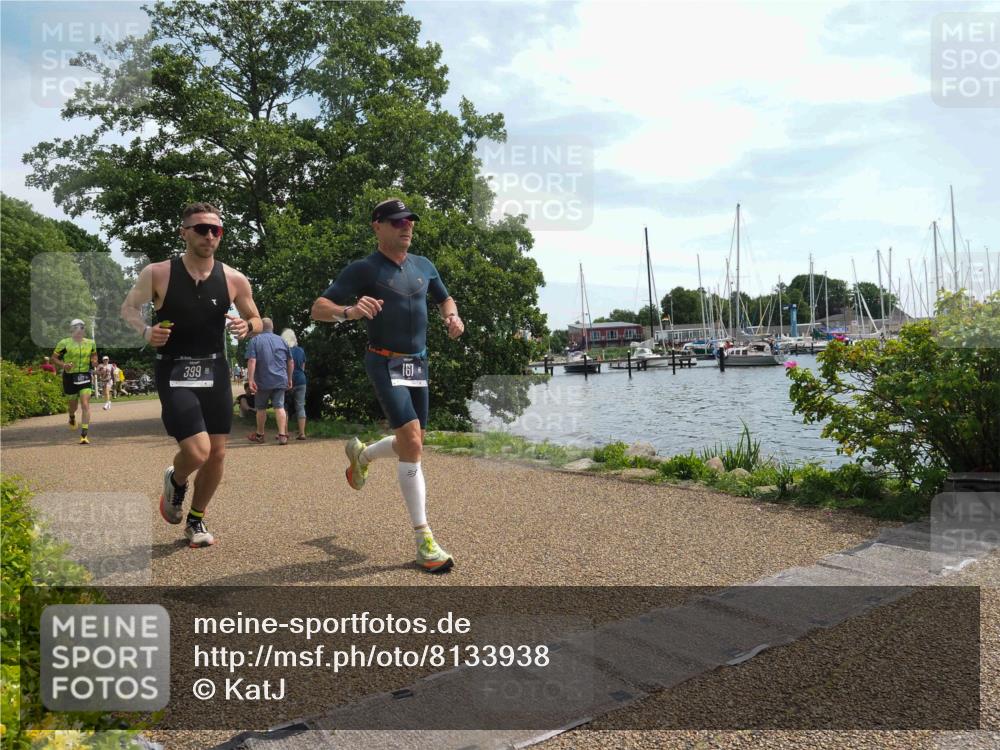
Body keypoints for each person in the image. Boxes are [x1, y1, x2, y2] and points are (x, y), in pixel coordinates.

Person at [311, 198, 464, 573]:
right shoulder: (365, 269)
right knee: (412, 442)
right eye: (396, 222)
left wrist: (453, 317)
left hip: (417, 362)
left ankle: (362, 456)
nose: (405, 226)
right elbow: (318, 308)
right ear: (377, 226)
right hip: (383, 358)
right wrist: (349, 311)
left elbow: (445, 299)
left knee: (412, 442)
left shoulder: (424, 266)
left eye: (409, 221)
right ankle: (423, 539)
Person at [121, 202, 261, 548]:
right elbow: (127, 308)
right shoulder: (158, 273)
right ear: (184, 232)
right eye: (201, 229)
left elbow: (259, 320)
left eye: (216, 230)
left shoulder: (233, 278)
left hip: (215, 369)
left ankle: (196, 519)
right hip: (175, 368)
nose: (210, 236)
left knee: (217, 454)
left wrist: (249, 325)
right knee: (197, 452)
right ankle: (177, 478)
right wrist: (144, 332)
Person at [246, 318, 293, 445]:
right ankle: (283, 435)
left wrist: (250, 380)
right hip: (280, 380)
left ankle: (260, 435)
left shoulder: (254, 340)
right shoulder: (282, 340)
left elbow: (252, 361)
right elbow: (290, 361)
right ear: (272, 327)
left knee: (261, 408)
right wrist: (289, 378)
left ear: (261, 327)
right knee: (279, 406)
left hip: (262, 381)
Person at [51, 319, 99, 444]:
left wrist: (94, 362)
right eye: (77, 329)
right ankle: (72, 417)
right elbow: (54, 358)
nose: (79, 331)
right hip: (70, 377)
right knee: (73, 405)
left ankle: (84, 434)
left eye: (82, 329)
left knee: (85, 404)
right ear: (72, 330)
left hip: (84, 375)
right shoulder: (64, 343)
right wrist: (63, 365)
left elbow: (94, 355)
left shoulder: (90, 343)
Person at [281, 328, 308, 440]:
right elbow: (303, 367)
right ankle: (302, 433)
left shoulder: (283, 350)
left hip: (287, 380)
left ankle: (285, 432)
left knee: (284, 407)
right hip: (301, 380)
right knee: (300, 406)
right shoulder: (301, 350)